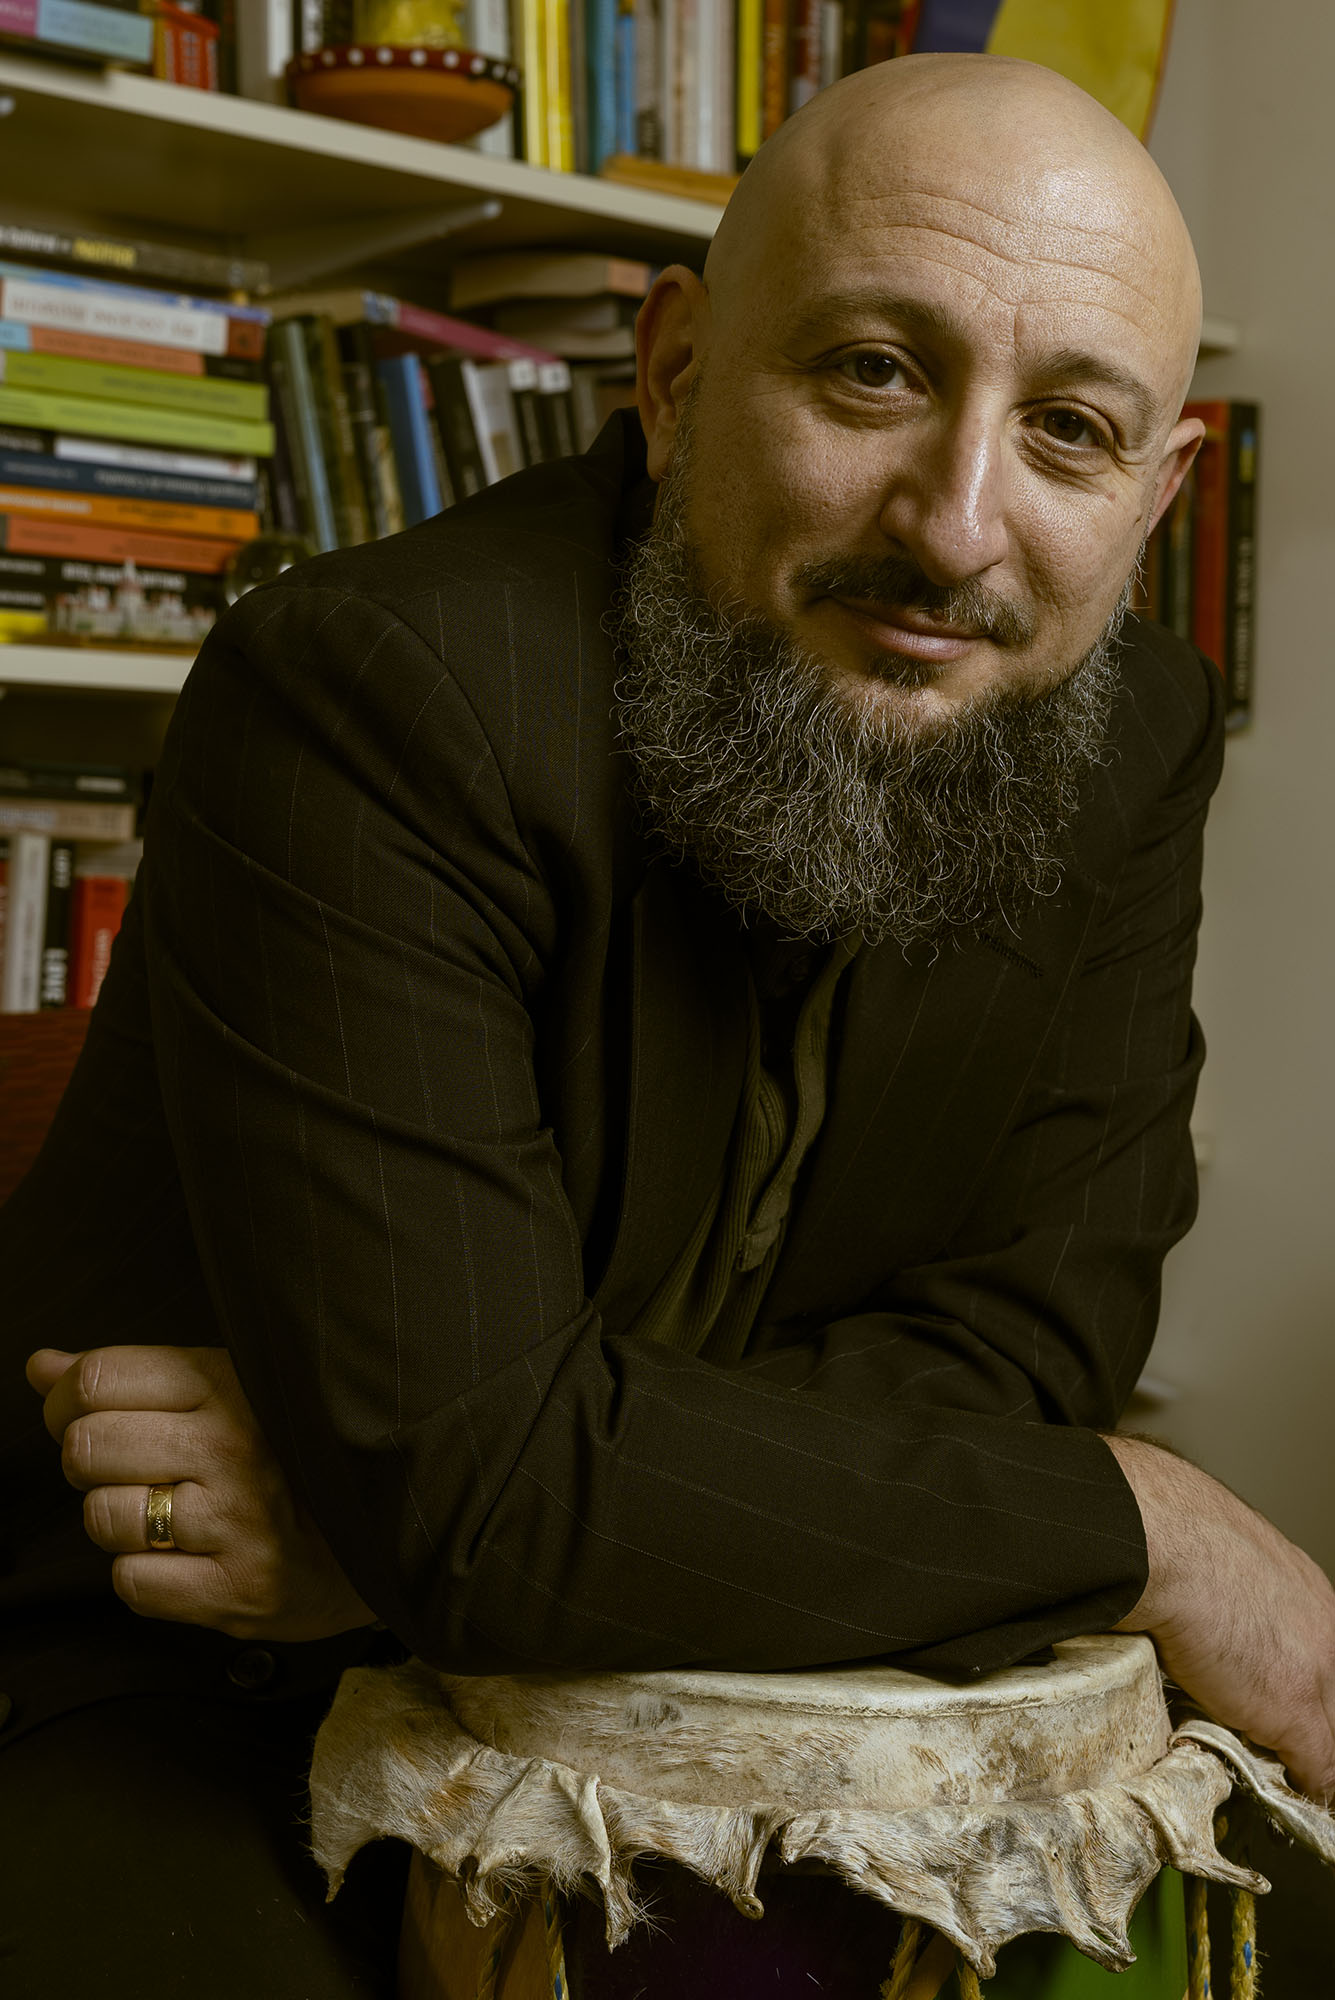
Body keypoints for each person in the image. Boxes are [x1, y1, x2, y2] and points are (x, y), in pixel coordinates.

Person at [4, 49, 1335, 1995]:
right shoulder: (368, 690)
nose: (954, 525)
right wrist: (1149, 1521)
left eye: (1064, 429)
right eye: (870, 370)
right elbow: (494, 1484)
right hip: (186, 1673)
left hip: (656, 1638)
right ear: (676, 367)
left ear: (1157, 492)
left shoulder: (1126, 734)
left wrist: (440, 1520)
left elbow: (1025, 1351)